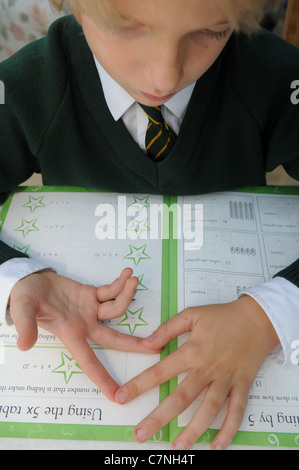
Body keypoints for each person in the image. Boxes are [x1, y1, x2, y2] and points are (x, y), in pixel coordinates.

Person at [0, 0, 298, 451]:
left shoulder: (274, 77)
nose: (165, 76)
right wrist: (14, 275)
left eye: (212, 32)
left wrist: (273, 311)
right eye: (128, 29)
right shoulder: (29, 86)